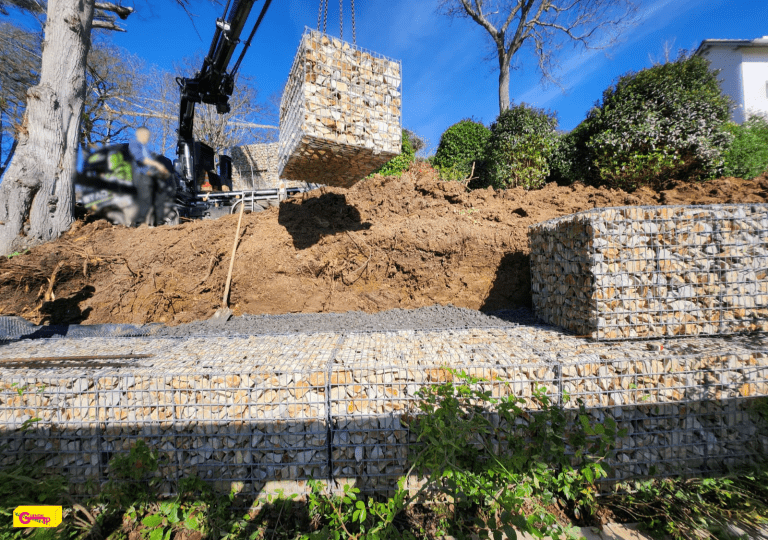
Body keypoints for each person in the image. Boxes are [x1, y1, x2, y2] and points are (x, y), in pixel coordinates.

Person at [128, 127, 170, 226]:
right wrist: (157, 165)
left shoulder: (145, 148)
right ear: (139, 134)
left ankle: (158, 223)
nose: (148, 137)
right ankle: (136, 225)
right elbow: (140, 159)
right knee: (144, 201)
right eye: (146, 135)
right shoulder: (134, 144)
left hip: (149, 177)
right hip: (140, 177)